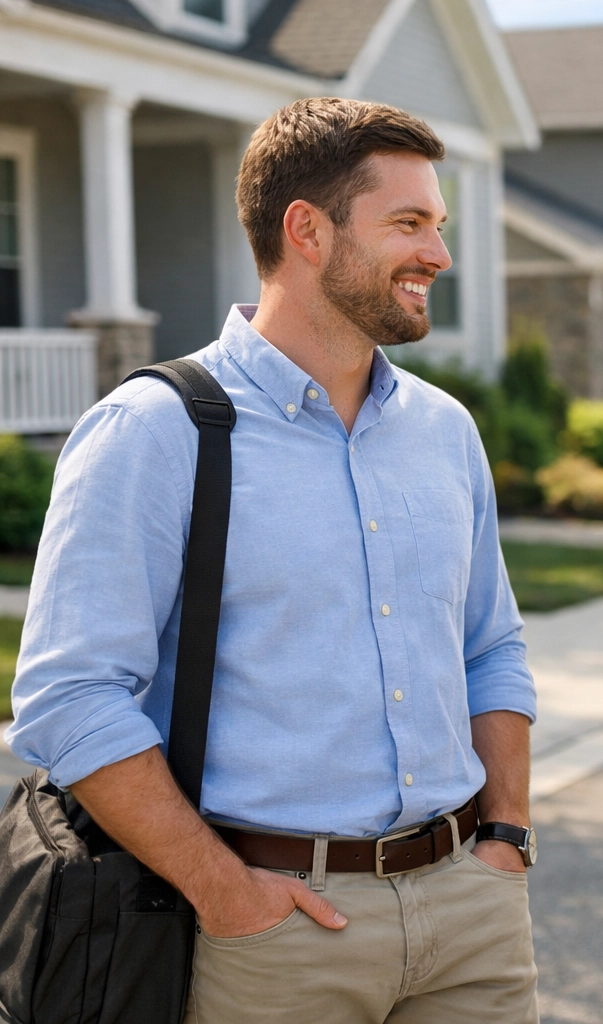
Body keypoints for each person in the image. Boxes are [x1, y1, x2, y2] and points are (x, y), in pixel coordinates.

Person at [5, 98, 539, 1022]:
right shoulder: (154, 431)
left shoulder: (445, 432)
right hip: (270, 929)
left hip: (470, 915)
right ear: (308, 231)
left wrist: (507, 838)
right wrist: (224, 891)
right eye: (409, 223)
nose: (439, 255)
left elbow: (490, 647)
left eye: (438, 226)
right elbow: (70, 698)